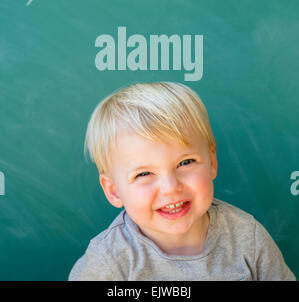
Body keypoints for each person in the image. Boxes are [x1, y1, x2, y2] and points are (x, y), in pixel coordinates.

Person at [68, 81, 296, 281]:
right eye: (144, 174)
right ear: (114, 191)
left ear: (212, 161)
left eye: (185, 163)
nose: (170, 188)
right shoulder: (107, 262)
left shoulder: (247, 239)